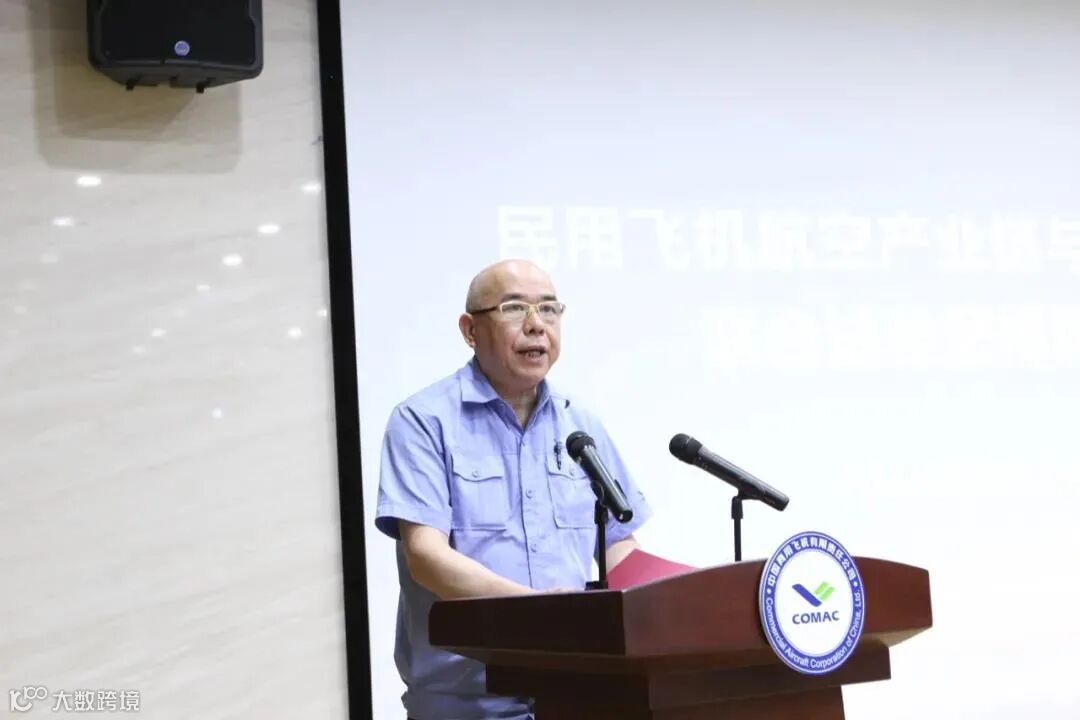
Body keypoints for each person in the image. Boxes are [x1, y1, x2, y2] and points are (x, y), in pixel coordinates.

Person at [374, 259, 653, 720]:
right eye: (514, 308)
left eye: (549, 309)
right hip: (467, 704)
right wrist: (536, 613)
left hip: (576, 695)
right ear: (470, 330)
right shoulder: (423, 421)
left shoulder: (580, 425)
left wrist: (669, 600)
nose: (536, 325)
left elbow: (617, 545)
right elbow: (425, 556)